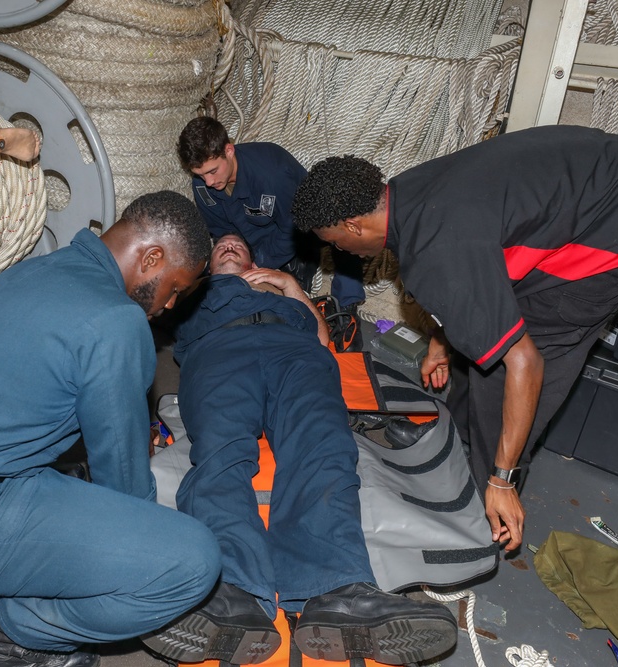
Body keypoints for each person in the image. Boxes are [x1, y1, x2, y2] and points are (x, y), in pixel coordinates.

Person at [291, 125, 618, 553]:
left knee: (531, 344)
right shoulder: (408, 192)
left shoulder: (435, 253)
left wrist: (501, 479)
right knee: (491, 326)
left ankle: (490, 493)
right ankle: (463, 442)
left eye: (331, 241)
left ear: (352, 226)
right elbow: (474, 278)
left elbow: (525, 360)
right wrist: (443, 340)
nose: (337, 251)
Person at [0, 191, 221, 667]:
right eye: (176, 287)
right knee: (192, 562)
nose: (172, 305)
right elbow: (124, 483)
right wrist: (142, 546)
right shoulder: (116, 322)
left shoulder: (40, 269)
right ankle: (8, 631)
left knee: (65, 473)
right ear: (153, 257)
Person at [142, 234, 458, 666]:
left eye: (239, 245)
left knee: (323, 448)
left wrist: (290, 287)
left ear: (255, 257)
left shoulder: (281, 288)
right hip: (220, 353)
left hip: (297, 355)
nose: (230, 247)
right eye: (221, 246)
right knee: (221, 453)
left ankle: (334, 590)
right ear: (207, 262)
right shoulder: (193, 289)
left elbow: (322, 337)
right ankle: (231, 589)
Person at [178, 117, 366, 318]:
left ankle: (347, 304)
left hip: (301, 230)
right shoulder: (202, 186)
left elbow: (293, 226)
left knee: (343, 226)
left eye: (213, 171)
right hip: (253, 234)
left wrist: (263, 261)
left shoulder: (273, 173)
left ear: (229, 151)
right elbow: (221, 232)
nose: (208, 182)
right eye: (200, 174)